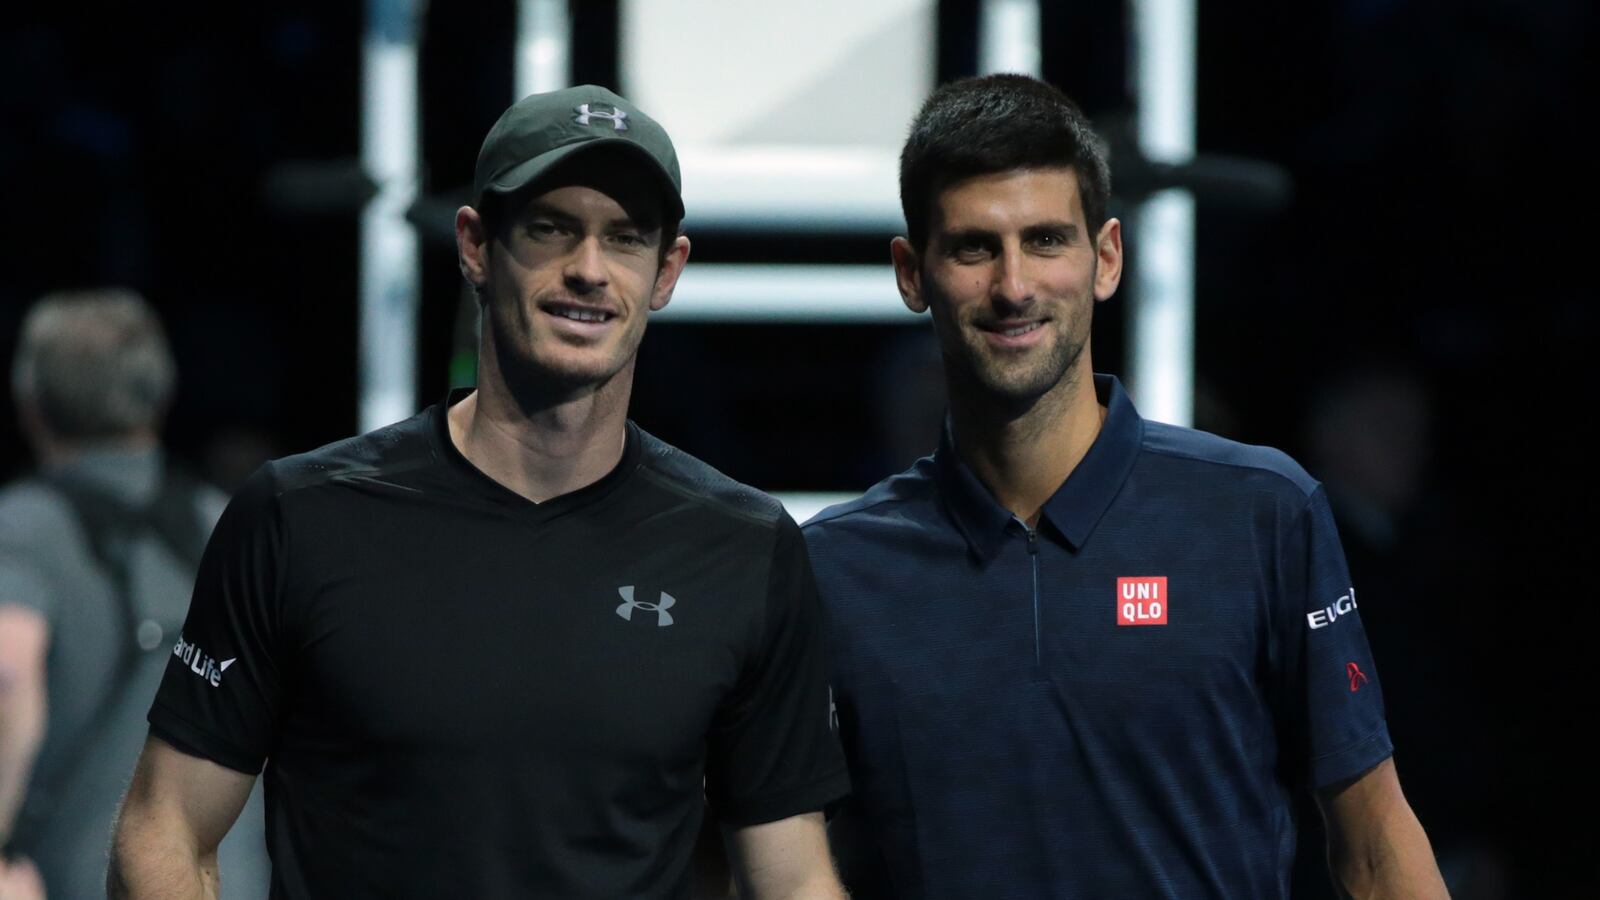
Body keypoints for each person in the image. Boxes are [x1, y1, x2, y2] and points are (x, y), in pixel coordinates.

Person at [107, 85, 850, 899]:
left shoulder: (743, 546)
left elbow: (792, 880)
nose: (590, 270)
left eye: (626, 238)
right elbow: (166, 825)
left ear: (666, 270)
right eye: (550, 228)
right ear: (475, 246)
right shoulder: (300, 516)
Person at [802, 74, 1447, 899]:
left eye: (1045, 241)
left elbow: (1376, 846)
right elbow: (784, 865)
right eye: (973, 247)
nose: (1013, 286)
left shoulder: (1260, 514)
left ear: (1105, 258)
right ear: (911, 271)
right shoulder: (833, 567)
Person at [0, 290, 269, 899]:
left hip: (79, 880)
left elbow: (8, 676)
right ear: (159, 396)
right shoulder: (226, 521)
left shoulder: (24, 528)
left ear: (30, 403)